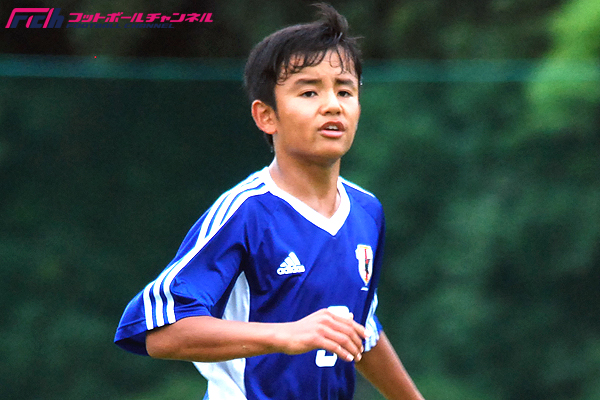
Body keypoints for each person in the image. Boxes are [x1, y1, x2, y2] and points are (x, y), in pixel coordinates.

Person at [115, 4, 425, 400]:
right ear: (266, 116)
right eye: (309, 91)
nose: (333, 104)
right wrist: (285, 335)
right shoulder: (247, 212)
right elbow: (162, 333)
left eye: (345, 90)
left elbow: (360, 329)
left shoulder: (367, 212)